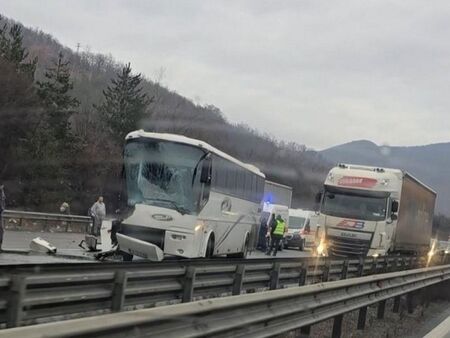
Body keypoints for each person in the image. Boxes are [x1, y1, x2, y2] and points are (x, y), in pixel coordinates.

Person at [0, 184, 6, 251]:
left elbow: (3, 202)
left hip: (0, 213)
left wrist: (2, 209)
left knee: (1, 229)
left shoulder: (2, 192)